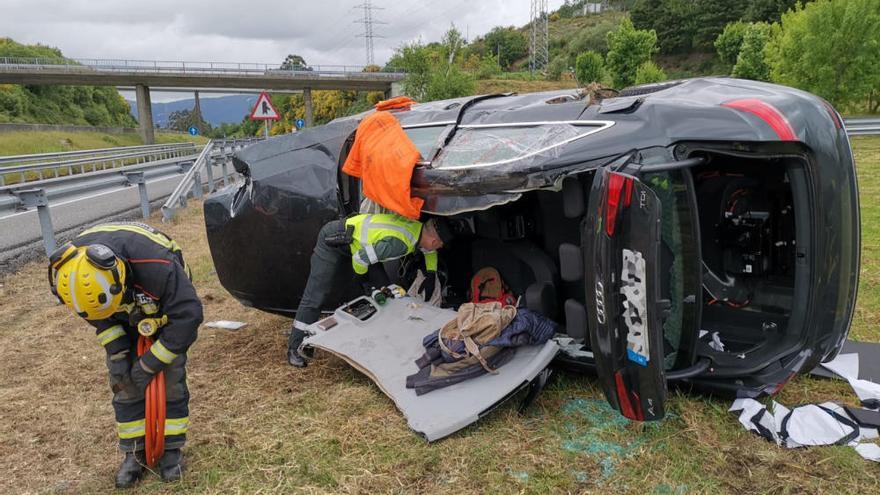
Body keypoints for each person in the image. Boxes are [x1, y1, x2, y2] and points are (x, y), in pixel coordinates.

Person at [47, 222, 203, 488]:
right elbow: (94, 313)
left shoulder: (158, 266)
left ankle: (171, 452)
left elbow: (187, 317)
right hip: (114, 306)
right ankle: (134, 452)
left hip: (163, 307)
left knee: (170, 377)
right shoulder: (69, 272)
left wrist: (151, 362)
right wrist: (117, 349)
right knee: (122, 380)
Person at [287, 213, 454, 367]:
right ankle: (295, 347)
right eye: (438, 246)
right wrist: (364, 281)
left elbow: (428, 251)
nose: (436, 250)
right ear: (434, 242)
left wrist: (431, 273)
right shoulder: (400, 243)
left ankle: (374, 342)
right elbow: (360, 259)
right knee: (316, 295)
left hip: (359, 248)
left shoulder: (417, 230)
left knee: (388, 295)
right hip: (335, 241)